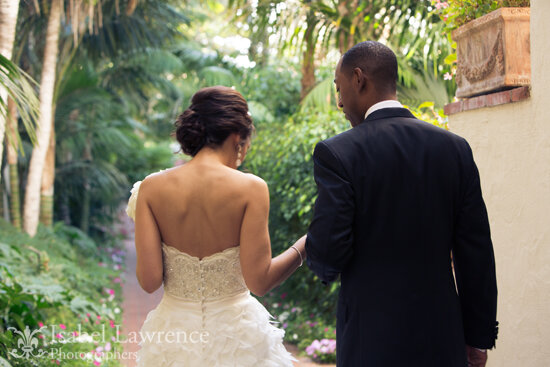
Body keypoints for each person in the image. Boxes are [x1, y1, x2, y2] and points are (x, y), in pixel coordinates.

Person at [305, 41, 498, 367]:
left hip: (370, 341)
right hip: (442, 337)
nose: (339, 102)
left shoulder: (338, 153)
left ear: (358, 79)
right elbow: (475, 252)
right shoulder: (454, 149)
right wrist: (477, 338)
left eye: (338, 89)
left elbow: (327, 254)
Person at [125, 86, 305, 366]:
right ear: (237, 137)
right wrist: (305, 245)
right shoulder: (251, 188)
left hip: (174, 338)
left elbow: (149, 282)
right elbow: (260, 281)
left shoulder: (151, 188)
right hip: (238, 338)